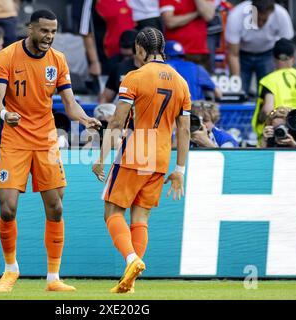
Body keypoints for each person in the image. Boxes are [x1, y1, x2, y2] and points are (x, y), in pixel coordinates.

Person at [0, 9, 101, 293]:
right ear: (30, 28)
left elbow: (69, 103)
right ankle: (10, 269)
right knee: (8, 207)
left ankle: (53, 278)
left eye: (53, 31)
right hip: (14, 139)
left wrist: (84, 118)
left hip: (46, 140)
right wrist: (5, 115)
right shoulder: (7, 56)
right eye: (44, 31)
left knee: (56, 207)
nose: (49, 36)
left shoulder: (58, 60)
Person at [92, 27, 191, 293]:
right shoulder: (181, 82)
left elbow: (117, 120)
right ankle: (130, 283)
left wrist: (101, 157)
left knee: (112, 212)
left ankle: (132, 259)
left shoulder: (134, 77)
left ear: (139, 48)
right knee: (141, 218)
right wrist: (180, 169)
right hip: (161, 156)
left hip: (136, 150)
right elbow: (184, 130)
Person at [225, 0, 293, 95]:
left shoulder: (281, 15)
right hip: (241, 55)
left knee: (269, 92)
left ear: (271, 13)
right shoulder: (236, 16)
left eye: (264, 20)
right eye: (256, 19)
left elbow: (286, 50)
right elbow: (233, 54)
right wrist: (237, 84)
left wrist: (283, 78)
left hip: (268, 53)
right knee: (240, 93)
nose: (260, 23)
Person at [159, 0, 215, 71]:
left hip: (200, 52)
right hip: (176, 54)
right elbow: (170, 22)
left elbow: (208, 16)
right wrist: (196, 13)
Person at [99, 29, 140, 104]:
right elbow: (105, 99)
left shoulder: (149, 68)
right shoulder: (116, 66)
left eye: (130, 56)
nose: (126, 59)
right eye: (124, 56)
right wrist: (102, 111)